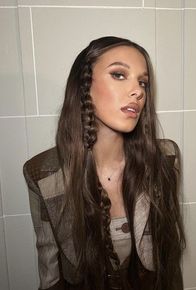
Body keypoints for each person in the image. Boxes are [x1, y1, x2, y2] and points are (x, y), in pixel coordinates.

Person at [23, 36, 185, 290]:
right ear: (84, 85)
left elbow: (170, 262)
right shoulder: (43, 174)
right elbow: (50, 273)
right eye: (119, 75)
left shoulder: (165, 159)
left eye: (143, 82)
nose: (138, 91)